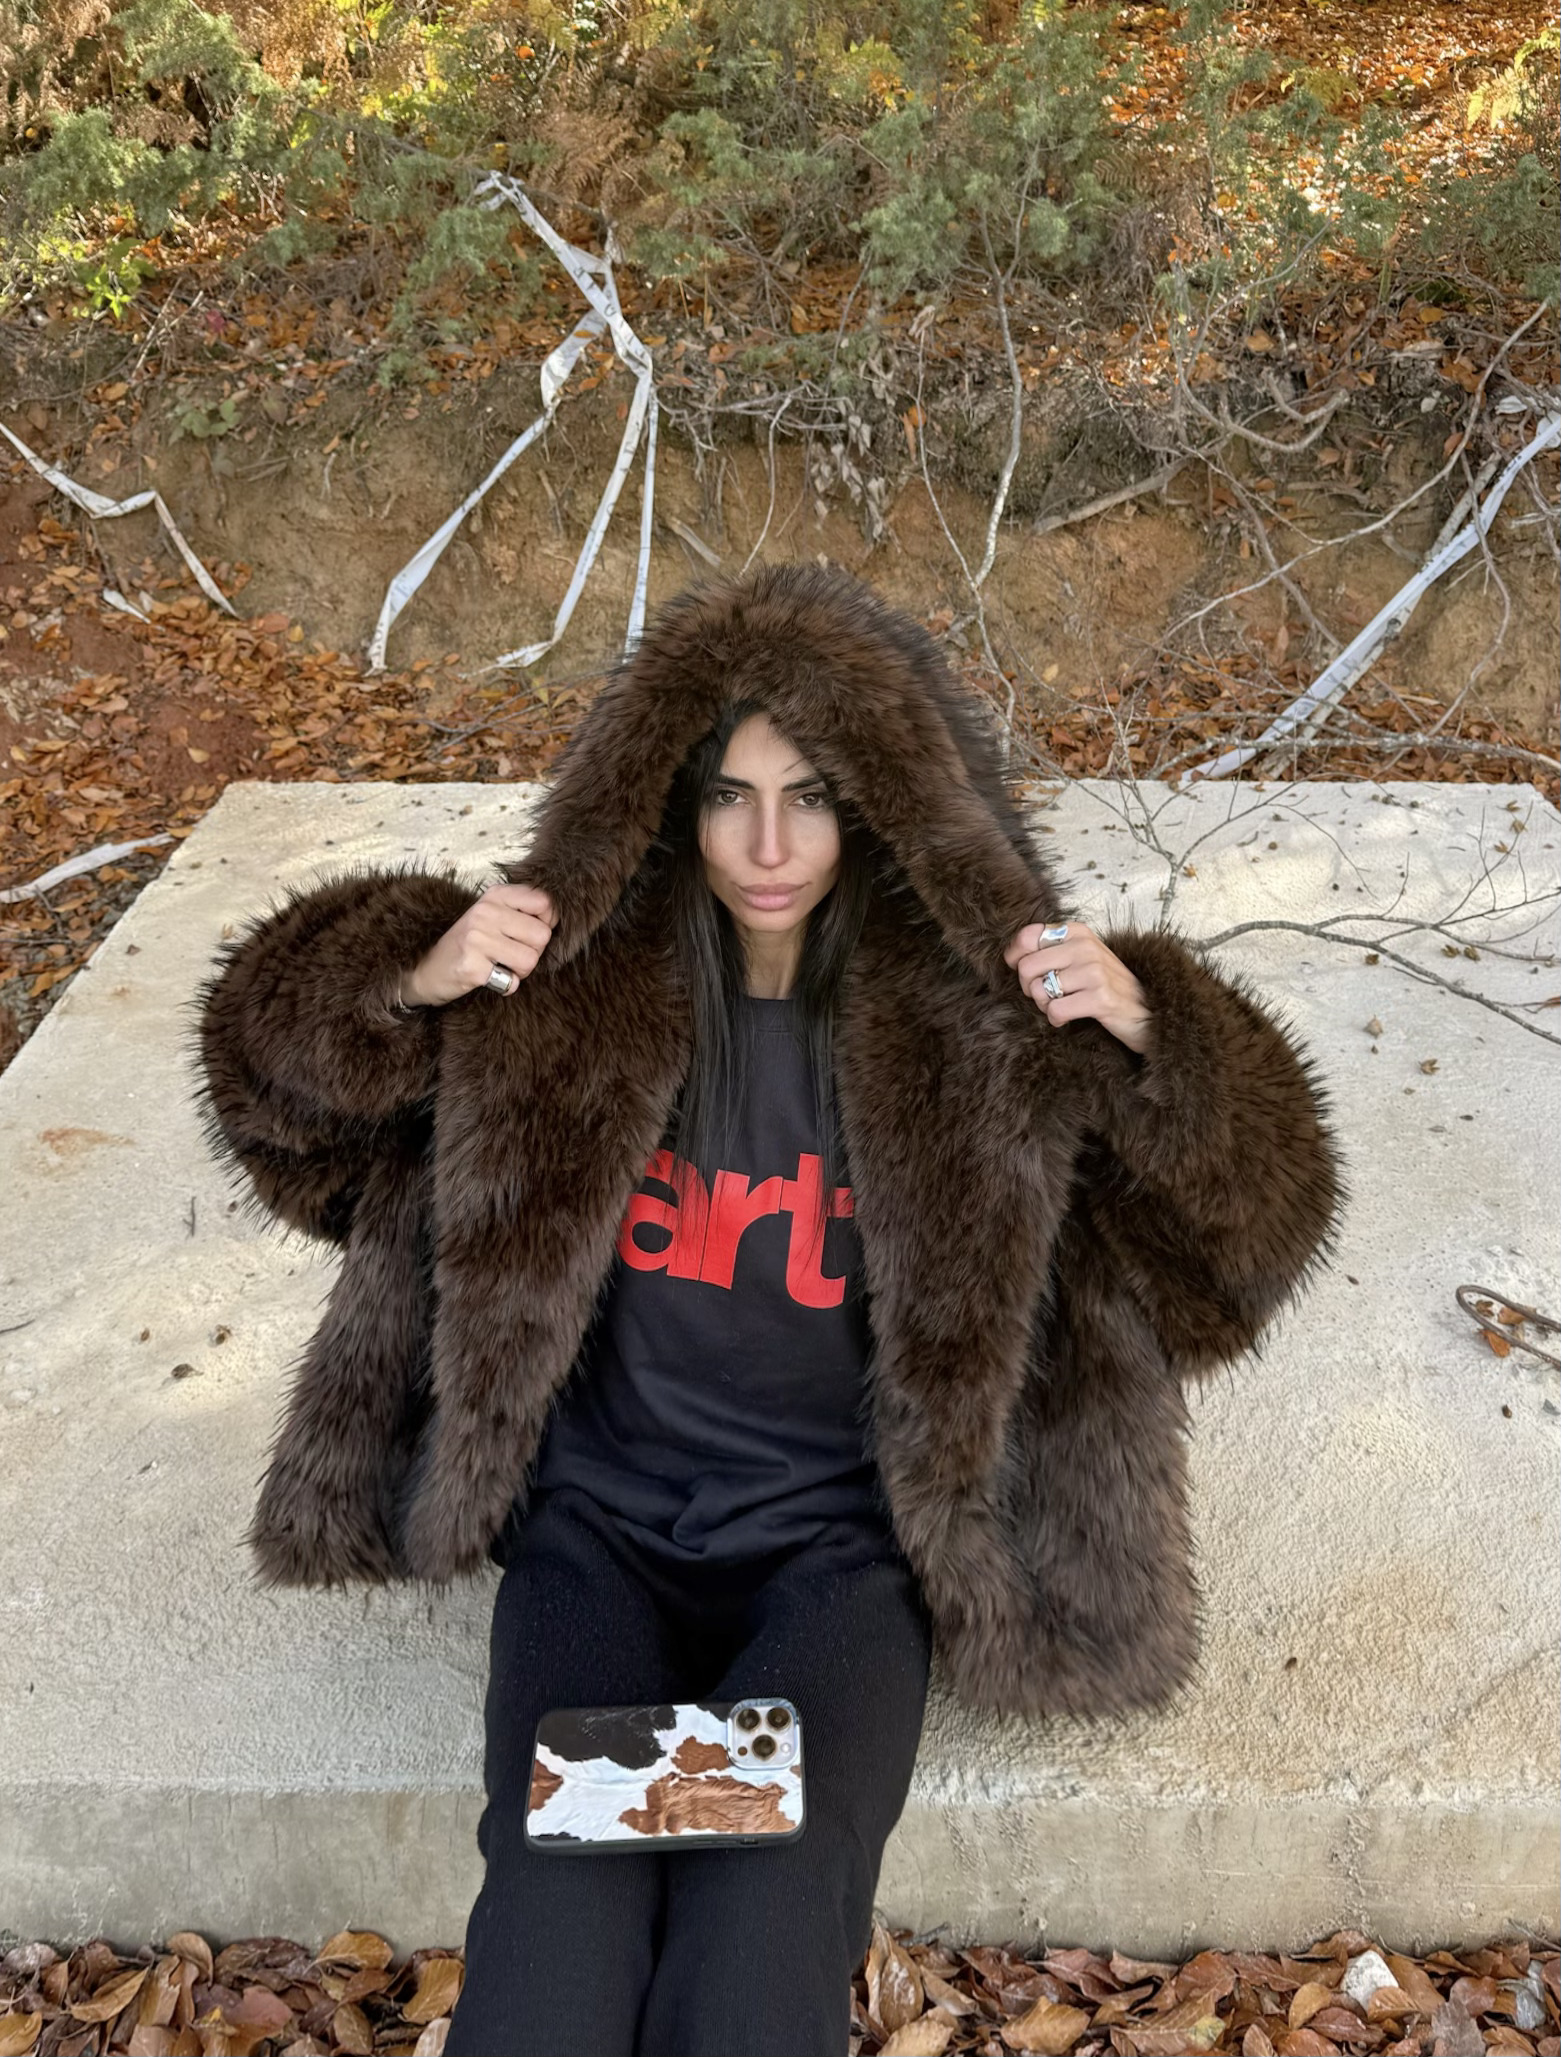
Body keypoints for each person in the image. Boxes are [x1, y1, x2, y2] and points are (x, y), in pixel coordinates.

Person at [194, 561, 1344, 2057]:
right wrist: (410, 980)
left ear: (879, 807)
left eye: (810, 797)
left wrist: (1155, 1035)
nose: (768, 845)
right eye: (729, 796)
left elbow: (1237, 1265)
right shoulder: (563, 993)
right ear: (670, 803)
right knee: (556, 1937)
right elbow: (275, 1113)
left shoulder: (979, 1034)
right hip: (599, 1542)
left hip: (833, 1561)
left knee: (756, 1940)